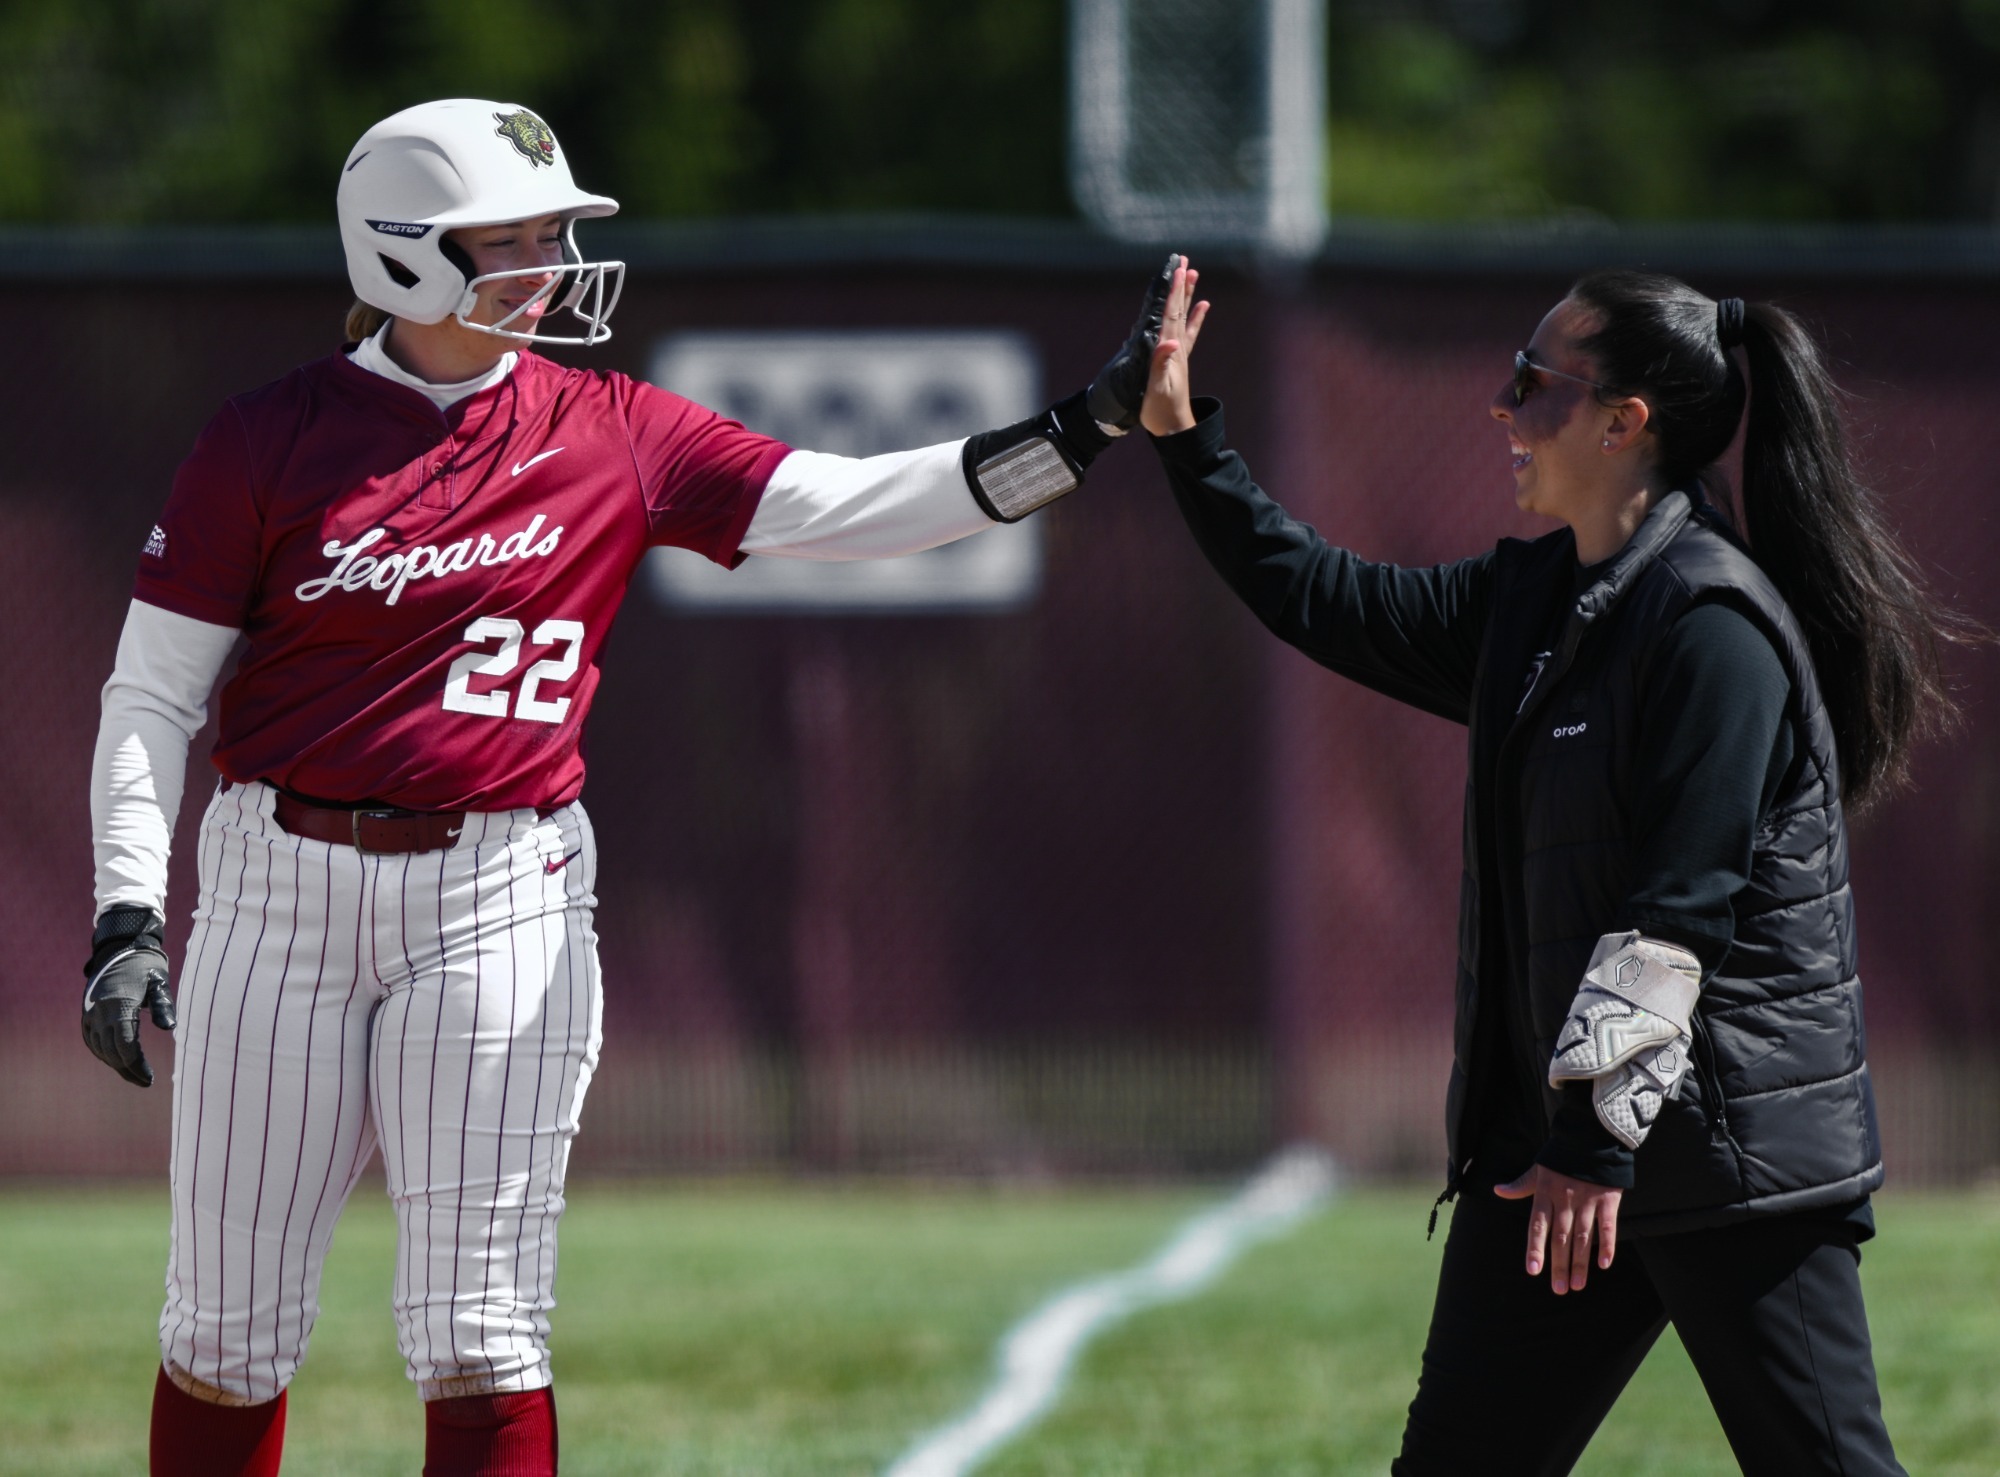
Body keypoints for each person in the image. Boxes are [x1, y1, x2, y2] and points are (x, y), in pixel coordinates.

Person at [79, 98, 1171, 1477]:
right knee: (225, 1334)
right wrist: (127, 912)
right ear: (401, 248)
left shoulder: (609, 427)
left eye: (554, 233)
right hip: (274, 887)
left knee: (480, 1333)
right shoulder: (267, 438)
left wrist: (1086, 427)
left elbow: (854, 505)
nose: (549, 264)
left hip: (496, 890)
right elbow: (151, 695)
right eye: (512, 238)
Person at [1139, 260, 1974, 1474]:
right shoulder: (1533, 602)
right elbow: (1319, 596)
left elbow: (1676, 910)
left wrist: (1591, 1143)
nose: (1502, 406)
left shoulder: (1713, 626)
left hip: (1726, 1159)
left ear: (1622, 421)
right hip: (1561, 1154)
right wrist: (1181, 439)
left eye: (1532, 384)